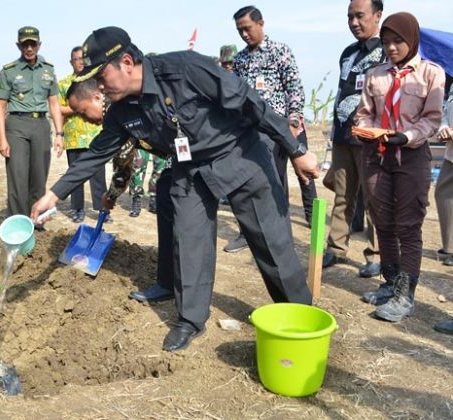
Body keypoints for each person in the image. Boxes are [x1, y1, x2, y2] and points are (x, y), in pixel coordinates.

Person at [31, 27, 318, 352]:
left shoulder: (184, 69)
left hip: (239, 154)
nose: (98, 87)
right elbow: (96, 154)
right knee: (188, 239)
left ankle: (301, 315)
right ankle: (190, 319)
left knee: (269, 242)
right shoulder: (121, 111)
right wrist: (53, 195)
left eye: (101, 77)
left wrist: (296, 150)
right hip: (189, 167)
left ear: (126, 62)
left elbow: (251, 103)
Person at [355, 12, 445, 322]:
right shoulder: (375, 75)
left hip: (412, 156)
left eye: (398, 41)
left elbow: (432, 119)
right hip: (376, 155)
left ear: (412, 39)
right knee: (382, 221)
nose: (391, 48)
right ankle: (390, 283)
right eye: (386, 42)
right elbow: (364, 113)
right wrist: (366, 129)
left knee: (408, 226)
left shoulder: (432, 74)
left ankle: (405, 296)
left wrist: (405, 136)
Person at [66, 78, 175, 303]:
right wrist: (111, 196)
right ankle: (168, 281)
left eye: (83, 111)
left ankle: (175, 282)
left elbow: (123, 167)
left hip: (186, 153)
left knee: (173, 208)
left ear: (97, 97)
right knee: (166, 199)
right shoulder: (115, 118)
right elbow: (123, 166)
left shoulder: (119, 112)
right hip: (176, 157)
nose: (84, 119)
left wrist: (111, 195)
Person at [230, 5, 318, 253]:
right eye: (240, 31)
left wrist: (292, 122)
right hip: (255, 131)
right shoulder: (240, 59)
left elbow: (294, 88)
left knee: (302, 178)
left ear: (261, 24)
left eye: (247, 28)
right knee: (261, 181)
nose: (244, 35)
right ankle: (250, 233)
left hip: (285, 127)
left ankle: (306, 226)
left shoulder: (280, 51)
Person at [323, 0, 386, 278]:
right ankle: (336, 248)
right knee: (342, 195)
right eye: (350, 17)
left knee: (374, 198)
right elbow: (341, 91)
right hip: (342, 134)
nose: (354, 22)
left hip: (370, 137)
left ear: (378, 15)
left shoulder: (388, 51)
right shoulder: (347, 53)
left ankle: (376, 255)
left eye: (360, 16)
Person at [0, 26, 64, 219]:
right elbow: (0, 107)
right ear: (19, 46)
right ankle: (18, 223)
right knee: (18, 177)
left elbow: (54, 103)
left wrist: (59, 134)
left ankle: (36, 219)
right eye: (25, 44)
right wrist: (2, 139)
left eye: (32, 44)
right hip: (16, 126)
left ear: (39, 45)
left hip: (41, 126)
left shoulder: (48, 70)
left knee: (39, 177)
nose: (29, 48)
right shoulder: (8, 71)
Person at [58, 46, 108, 223]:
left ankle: (102, 209)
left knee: (98, 176)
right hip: (74, 137)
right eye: (76, 59)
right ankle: (78, 209)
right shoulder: (64, 84)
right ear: (71, 62)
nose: (80, 62)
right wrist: (79, 108)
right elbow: (59, 108)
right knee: (75, 175)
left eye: (83, 58)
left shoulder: (95, 80)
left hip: (95, 135)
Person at [435, 85, 453, 266]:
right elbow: (446, 110)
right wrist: (444, 127)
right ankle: (450, 246)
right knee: (443, 193)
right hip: (451, 153)